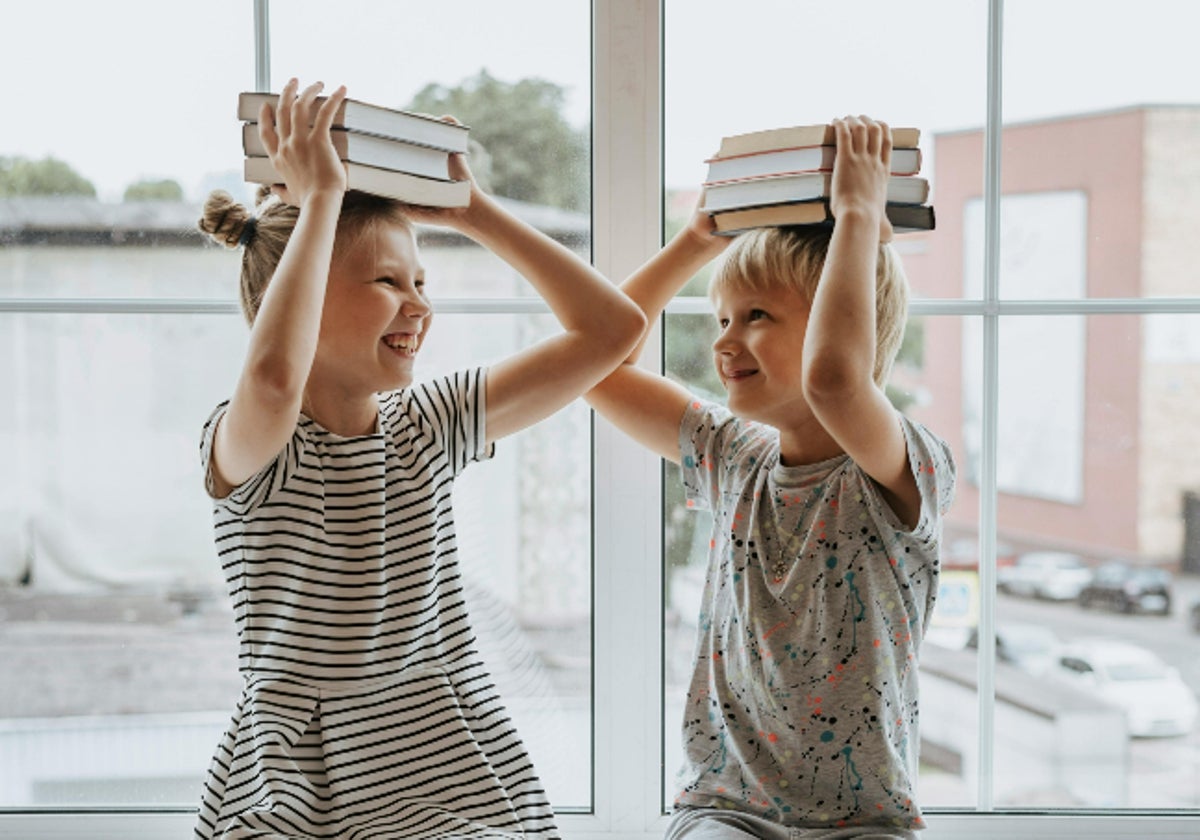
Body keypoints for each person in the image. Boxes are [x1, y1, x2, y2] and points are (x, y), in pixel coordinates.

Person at [193, 78, 645, 839]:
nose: (420, 304)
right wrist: (322, 200)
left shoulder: (428, 425)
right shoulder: (255, 443)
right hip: (302, 785)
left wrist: (476, 213)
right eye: (386, 281)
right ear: (296, 299)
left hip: (443, 768)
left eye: (421, 282)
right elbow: (274, 377)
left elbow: (613, 331)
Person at [586, 116, 956, 838]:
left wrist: (857, 215)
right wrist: (696, 241)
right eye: (721, 317)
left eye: (756, 316)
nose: (724, 341)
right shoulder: (733, 455)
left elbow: (835, 382)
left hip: (864, 820)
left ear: (838, 326)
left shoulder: (905, 464)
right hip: (730, 807)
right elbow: (594, 365)